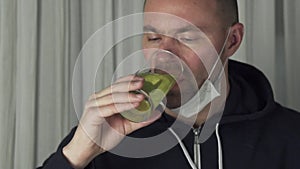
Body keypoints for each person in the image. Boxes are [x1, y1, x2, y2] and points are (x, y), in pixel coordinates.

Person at [37, 0, 300, 169]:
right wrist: (76, 155)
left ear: (232, 40)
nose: (165, 56)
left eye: (186, 37)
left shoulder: (291, 137)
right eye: (153, 37)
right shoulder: (107, 139)